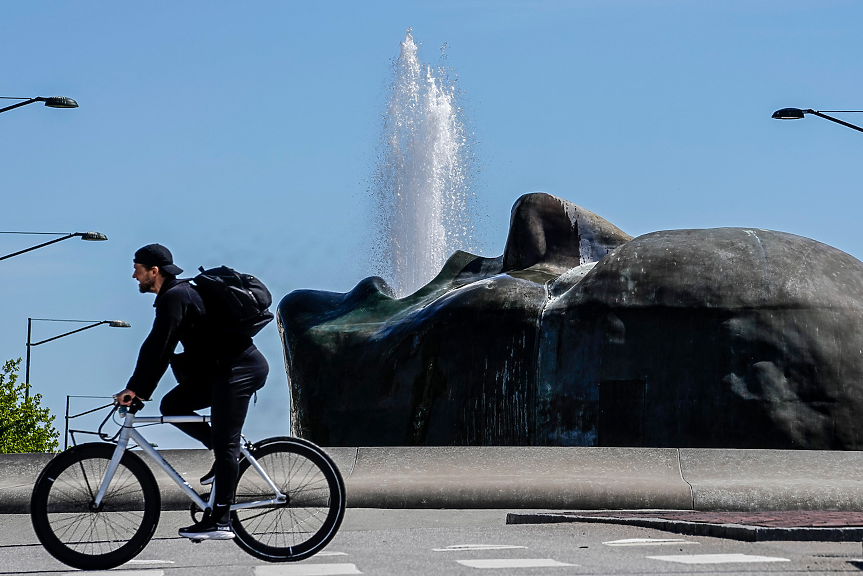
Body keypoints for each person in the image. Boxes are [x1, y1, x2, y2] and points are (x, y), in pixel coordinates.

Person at [114, 244, 268, 540]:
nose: (134, 275)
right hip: (222, 371)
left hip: (239, 371)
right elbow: (161, 349)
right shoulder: (176, 296)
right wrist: (141, 392)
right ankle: (229, 457)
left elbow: (157, 347)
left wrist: (135, 389)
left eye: (137, 269)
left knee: (226, 443)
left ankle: (221, 520)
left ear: (154, 271)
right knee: (173, 405)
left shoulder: (175, 296)